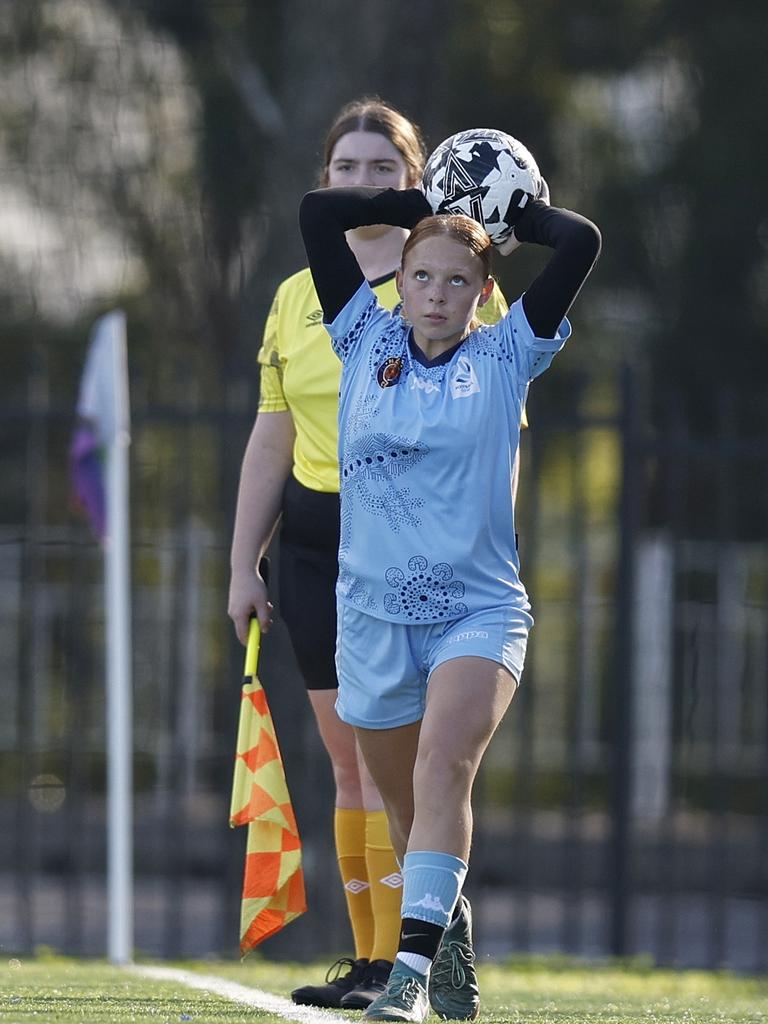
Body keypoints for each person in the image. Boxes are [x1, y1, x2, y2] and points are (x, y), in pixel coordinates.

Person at [297, 172, 600, 1022]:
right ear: (399, 282)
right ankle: (447, 916)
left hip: (478, 613)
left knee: (443, 773)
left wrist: (508, 213)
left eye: (457, 281)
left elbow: (579, 241)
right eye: (422, 276)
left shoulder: (509, 354)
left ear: (485, 292)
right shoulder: (360, 335)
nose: (437, 294)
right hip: (371, 617)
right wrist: (420, 202)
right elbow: (319, 214)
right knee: (404, 809)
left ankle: (409, 979)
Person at [227, 98, 510, 1011]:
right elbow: (272, 436)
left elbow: (504, 432)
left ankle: (424, 952)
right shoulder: (297, 295)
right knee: (354, 763)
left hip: (424, 544)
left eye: (380, 170)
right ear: (325, 181)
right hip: (319, 547)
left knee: (437, 760)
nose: (361, 185)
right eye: (344, 169)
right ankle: (377, 962)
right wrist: (244, 561)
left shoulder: (456, 278)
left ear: (417, 176)